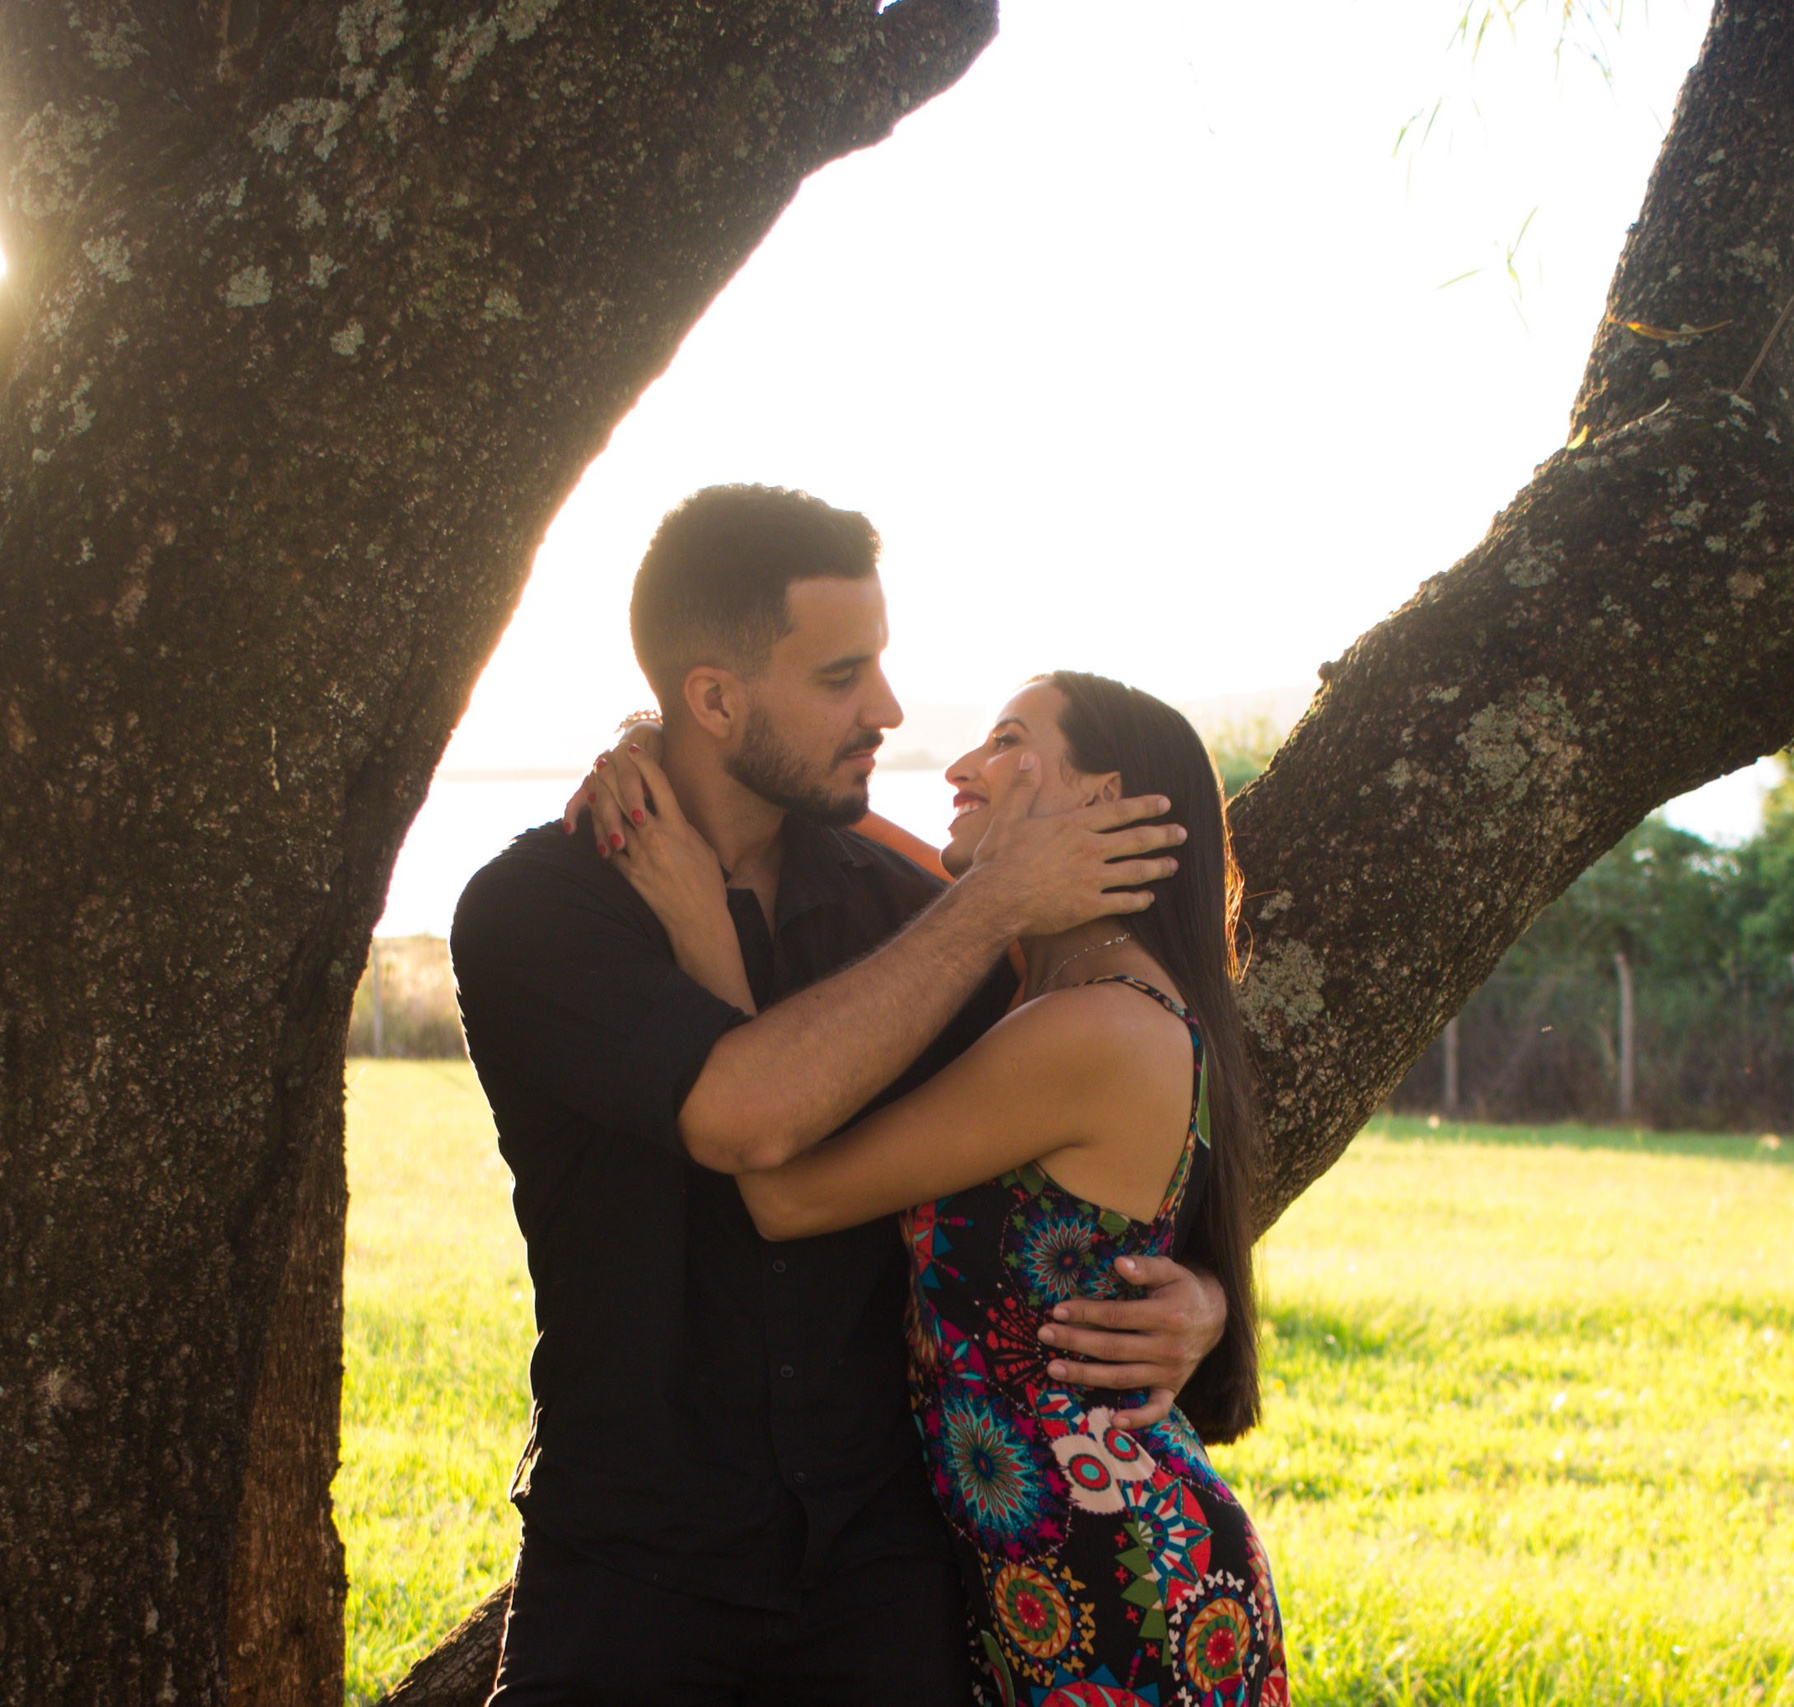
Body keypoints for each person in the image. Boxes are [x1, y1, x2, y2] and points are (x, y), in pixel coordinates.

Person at [450, 486, 1231, 1705]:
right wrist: (993, 903)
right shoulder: (540, 909)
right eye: (840, 676)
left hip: (890, 1575)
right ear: (714, 699)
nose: (889, 710)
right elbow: (747, 1117)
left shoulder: (915, 913)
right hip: (630, 1567)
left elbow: (1125, 1134)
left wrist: (1200, 1297)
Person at [584, 670, 1287, 1706]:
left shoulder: (1090, 1023)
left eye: (1006, 740)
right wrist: (664, 747)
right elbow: (866, 844)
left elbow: (784, 1195)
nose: (961, 764)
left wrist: (700, 921)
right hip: (1040, 1563)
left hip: (1117, 1578)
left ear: (1102, 800)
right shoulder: (1056, 977)